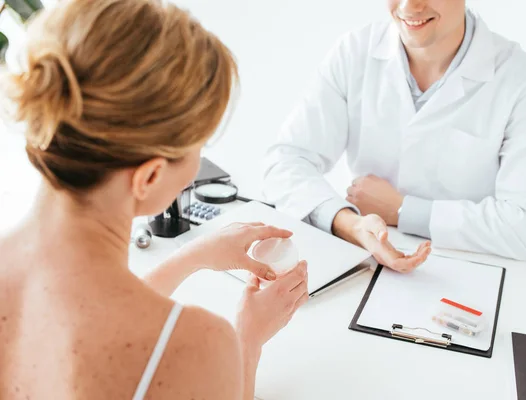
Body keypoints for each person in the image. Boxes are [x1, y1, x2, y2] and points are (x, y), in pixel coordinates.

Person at [0, 0, 308, 399]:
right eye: (199, 144)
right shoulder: (198, 347)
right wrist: (245, 346)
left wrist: (193, 256)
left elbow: (87, 322)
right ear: (149, 176)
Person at [263, 0, 526, 264]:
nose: (409, 6)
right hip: (364, 258)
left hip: (469, 269)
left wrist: (403, 210)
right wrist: (349, 224)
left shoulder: (523, 83)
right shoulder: (354, 52)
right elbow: (285, 164)